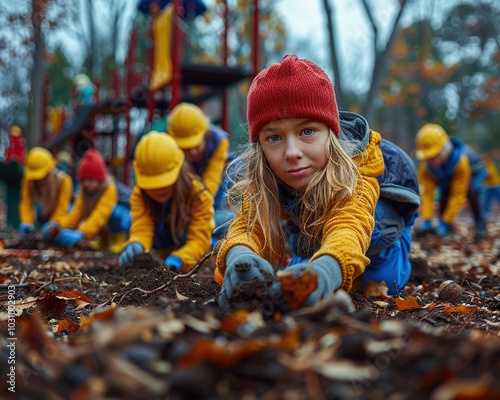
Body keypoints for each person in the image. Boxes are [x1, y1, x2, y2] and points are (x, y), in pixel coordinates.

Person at [215, 55, 420, 309]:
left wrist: (326, 270)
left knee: (383, 282)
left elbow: (350, 226)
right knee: (294, 280)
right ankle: (318, 253)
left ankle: (392, 254)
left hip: (380, 227)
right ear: (261, 147)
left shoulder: (356, 170)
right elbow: (249, 225)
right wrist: (240, 256)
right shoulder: (267, 173)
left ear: (330, 134)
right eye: (274, 137)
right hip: (314, 226)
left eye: (307, 132)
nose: (292, 152)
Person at [118, 131, 214, 272]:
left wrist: (180, 259)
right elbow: (142, 226)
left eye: (165, 181)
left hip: (188, 258)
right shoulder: (140, 195)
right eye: (152, 184)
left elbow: (199, 240)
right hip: (158, 257)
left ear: (178, 170)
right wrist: (137, 243)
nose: (159, 189)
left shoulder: (198, 196)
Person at [167, 102, 235, 242]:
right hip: (192, 180)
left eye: (196, 145)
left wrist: (200, 211)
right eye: (186, 147)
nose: (192, 151)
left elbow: (212, 178)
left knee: (212, 213)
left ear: (204, 133)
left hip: (219, 179)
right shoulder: (170, 148)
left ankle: (225, 228)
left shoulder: (219, 141)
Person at [41, 149, 131, 251]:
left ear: (100, 179)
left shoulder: (110, 188)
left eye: (91, 180)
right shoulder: (84, 192)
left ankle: (119, 240)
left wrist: (82, 233)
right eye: (85, 180)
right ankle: (103, 241)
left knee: (115, 213)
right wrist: (58, 225)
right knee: (92, 210)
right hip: (103, 218)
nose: (88, 184)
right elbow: (76, 215)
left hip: (126, 213)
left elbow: (100, 215)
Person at [415, 123, 487, 240]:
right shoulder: (426, 168)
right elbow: (427, 194)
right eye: (428, 158)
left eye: (434, 156)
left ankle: (480, 223)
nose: (431, 161)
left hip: (473, 172)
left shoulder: (460, 161)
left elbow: (458, 194)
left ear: (443, 150)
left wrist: (446, 220)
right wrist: (427, 218)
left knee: (472, 190)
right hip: (448, 176)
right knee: (444, 194)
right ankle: (447, 227)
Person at [18, 147, 73, 237]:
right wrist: (26, 222)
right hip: (44, 213)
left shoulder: (64, 180)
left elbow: (62, 206)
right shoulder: (28, 180)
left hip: (61, 215)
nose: (37, 179)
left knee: (70, 209)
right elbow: (26, 202)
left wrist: (53, 224)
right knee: (40, 209)